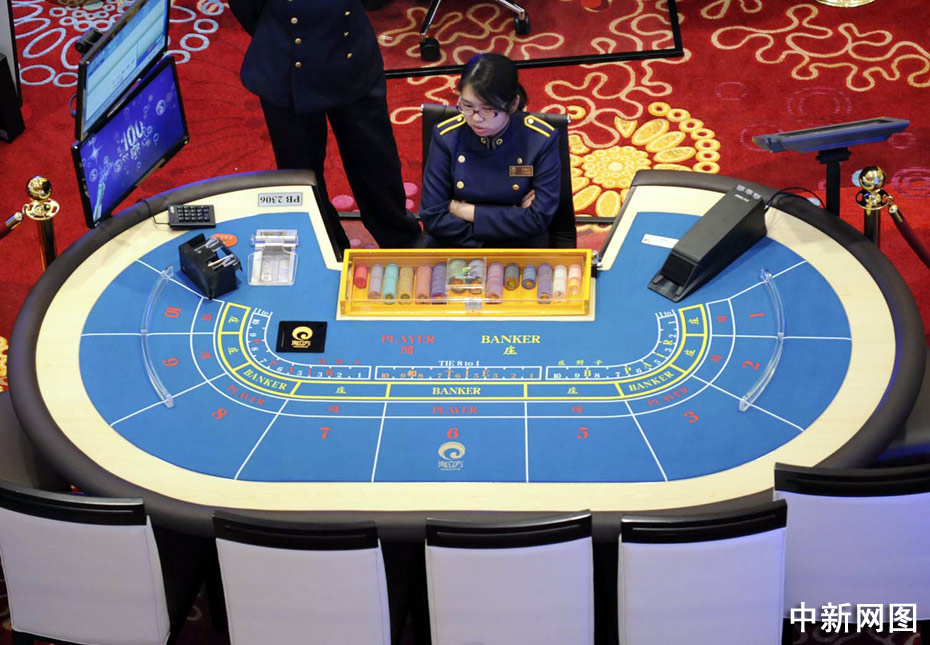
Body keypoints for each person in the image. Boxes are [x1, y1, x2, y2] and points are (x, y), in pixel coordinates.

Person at [227, 0, 422, 252]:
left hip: (351, 57)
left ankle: (401, 241)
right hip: (286, 66)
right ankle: (327, 248)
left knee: (375, 162)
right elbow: (248, 8)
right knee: (302, 176)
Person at [418, 53, 561, 248]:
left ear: (512, 105)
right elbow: (433, 215)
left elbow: (538, 219)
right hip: (458, 243)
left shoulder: (540, 140)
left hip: (520, 248)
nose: (476, 118)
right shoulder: (446, 136)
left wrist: (466, 211)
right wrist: (513, 217)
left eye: (488, 109)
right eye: (467, 106)